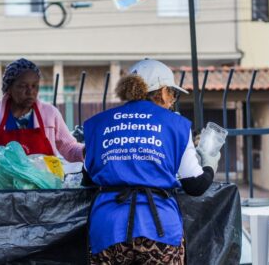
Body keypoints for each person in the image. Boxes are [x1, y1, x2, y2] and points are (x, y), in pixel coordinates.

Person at [83, 59, 220, 265]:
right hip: (159, 230)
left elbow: (87, 178)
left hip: (108, 229)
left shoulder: (98, 123)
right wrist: (210, 165)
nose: (172, 100)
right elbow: (195, 185)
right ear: (163, 92)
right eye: (172, 93)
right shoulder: (176, 125)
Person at [0, 58, 84, 183]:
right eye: (23, 86)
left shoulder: (50, 114)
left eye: (34, 86)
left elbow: (70, 148)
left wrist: (86, 151)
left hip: (43, 192)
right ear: (9, 88)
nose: (30, 92)